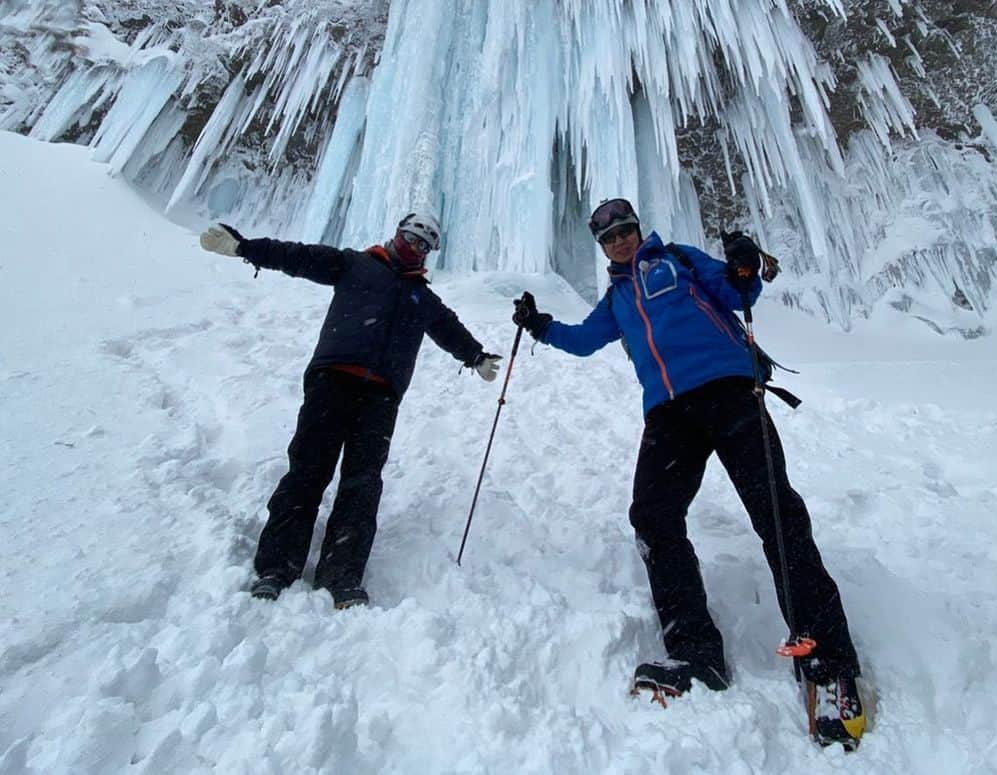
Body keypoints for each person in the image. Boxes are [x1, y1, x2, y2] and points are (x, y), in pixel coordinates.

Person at [511, 198, 865, 749]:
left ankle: (828, 658)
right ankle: (696, 653)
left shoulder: (678, 260)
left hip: (729, 392)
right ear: (602, 247)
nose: (620, 243)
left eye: (625, 232)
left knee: (775, 512)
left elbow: (737, 290)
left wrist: (745, 263)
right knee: (653, 517)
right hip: (670, 413)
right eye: (609, 239)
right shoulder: (616, 299)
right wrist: (540, 326)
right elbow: (583, 341)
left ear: (637, 231)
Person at [200, 211, 501, 610]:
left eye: (425, 245)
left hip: (381, 397)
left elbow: (448, 328)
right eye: (412, 238)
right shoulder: (354, 264)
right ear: (398, 234)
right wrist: (245, 247)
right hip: (333, 380)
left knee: (362, 483)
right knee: (308, 470)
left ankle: (342, 575)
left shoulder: (421, 297)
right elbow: (297, 256)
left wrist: (475, 356)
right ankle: (276, 567)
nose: (416, 249)